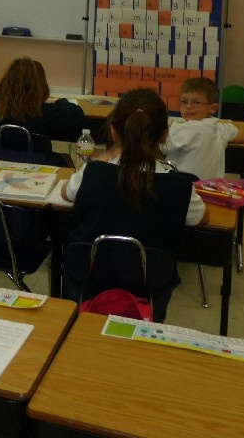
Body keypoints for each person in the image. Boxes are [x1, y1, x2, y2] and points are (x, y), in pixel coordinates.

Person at [61, 88, 206, 320]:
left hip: (88, 278)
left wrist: (104, 156)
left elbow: (66, 192)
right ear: (164, 135)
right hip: (150, 285)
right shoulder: (180, 185)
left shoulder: (93, 172)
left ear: (113, 131)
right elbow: (200, 217)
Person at [0, 57, 85, 142]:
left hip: (2, 156)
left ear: (7, 82)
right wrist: (59, 101)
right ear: (39, 87)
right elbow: (77, 113)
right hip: (38, 158)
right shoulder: (46, 111)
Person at [162, 77, 244, 179]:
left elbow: (163, 146)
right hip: (210, 186)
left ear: (212, 108)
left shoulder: (186, 128)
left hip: (184, 185)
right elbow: (242, 137)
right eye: (184, 102)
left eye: (196, 103)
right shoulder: (220, 128)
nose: (188, 106)